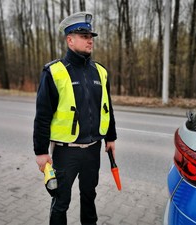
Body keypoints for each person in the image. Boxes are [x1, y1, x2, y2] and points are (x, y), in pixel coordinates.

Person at [33, 11, 117, 225]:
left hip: (92, 150)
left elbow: (106, 108)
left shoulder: (101, 71)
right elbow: (43, 115)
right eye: (84, 36)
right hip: (65, 152)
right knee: (61, 202)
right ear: (70, 40)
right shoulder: (54, 72)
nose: (90, 40)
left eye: (91, 37)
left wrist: (111, 138)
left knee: (90, 197)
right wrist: (41, 152)